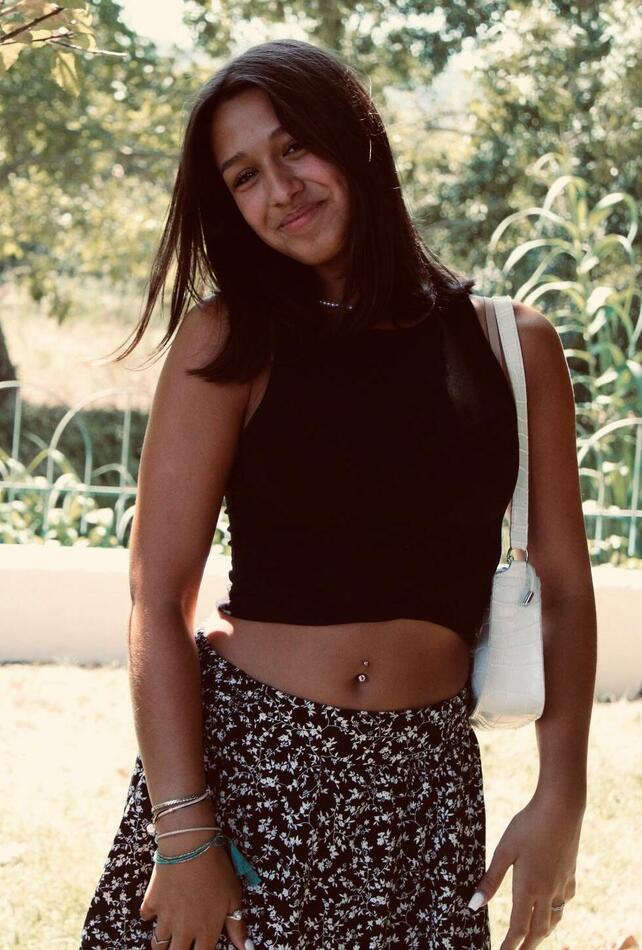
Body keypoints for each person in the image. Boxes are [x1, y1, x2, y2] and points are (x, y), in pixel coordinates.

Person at [79, 37, 596, 950]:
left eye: (295, 148)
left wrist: (562, 796)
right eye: (244, 176)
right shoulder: (228, 340)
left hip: (422, 798)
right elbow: (156, 598)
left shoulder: (511, 346)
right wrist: (185, 833)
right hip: (247, 779)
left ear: (357, 140)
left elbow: (563, 588)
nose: (280, 190)